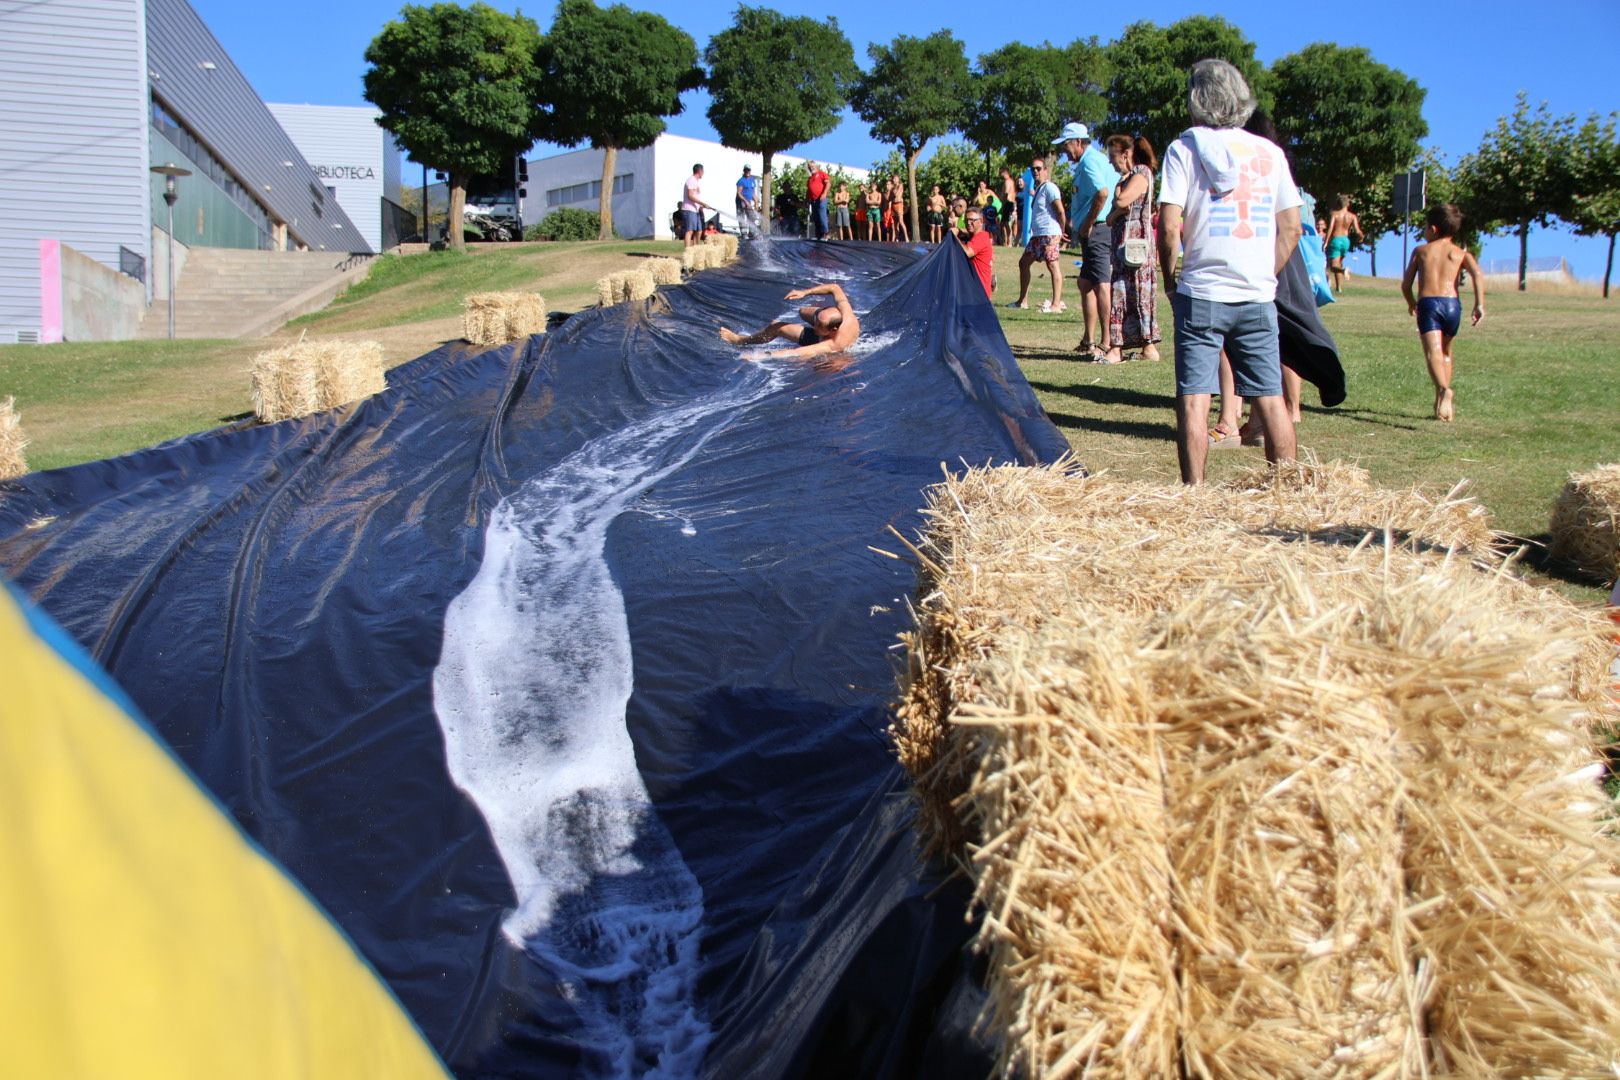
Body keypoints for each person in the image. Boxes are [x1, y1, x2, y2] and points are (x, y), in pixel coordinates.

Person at [1158, 58, 1302, 484]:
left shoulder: (1183, 150)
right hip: (1257, 294)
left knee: (1194, 397)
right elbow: (1291, 226)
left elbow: (1169, 225)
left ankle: (1195, 492)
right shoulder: (1270, 153)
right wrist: (1265, 272)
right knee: (1271, 399)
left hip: (1201, 289)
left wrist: (1171, 281)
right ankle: (1287, 493)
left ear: (1196, 100)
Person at [1401, 203, 1484, 422]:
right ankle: (1442, 407)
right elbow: (1476, 273)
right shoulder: (1459, 253)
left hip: (1429, 304)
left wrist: (1412, 302)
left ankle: (1443, 390)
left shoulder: (1421, 251)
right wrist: (1479, 304)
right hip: (1452, 305)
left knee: (1433, 352)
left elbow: (1406, 284)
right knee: (1446, 352)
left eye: (1426, 227)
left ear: (1434, 229)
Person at [1055, 122, 1116, 358]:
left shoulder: (1090, 161)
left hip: (1098, 231)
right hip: (1092, 232)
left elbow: (1102, 192)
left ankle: (1107, 342)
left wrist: (1088, 223)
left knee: (1101, 283)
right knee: (1085, 283)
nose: (1064, 151)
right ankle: (1089, 339)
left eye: (1066, 145)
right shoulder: (1089, 161)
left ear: (1079, 142)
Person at [1101, 134, 1161, 363]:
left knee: (1137, 294)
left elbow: (1122, 202)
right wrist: (1118, 202)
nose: (1110, 162)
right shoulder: (1127, 179)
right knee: (1123, 292)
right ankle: (1136, 347)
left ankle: (1125, 348)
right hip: (1122, 247)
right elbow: (1109, 218)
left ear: (1125, 154)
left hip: (1137, 246)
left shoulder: (1141, 174)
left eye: (1112, 156)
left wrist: (1118, 196)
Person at [718, 283, 861, 360]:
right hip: (829, 327)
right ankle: (817, 317)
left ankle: (739, 340)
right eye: (816, 321)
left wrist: (760, 356)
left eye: (819, 325)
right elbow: (834, 288)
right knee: (803, 311)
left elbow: (795, 353)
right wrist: (805, 292)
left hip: (823, 341)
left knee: (778, 328)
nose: (815, 325)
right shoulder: (846, 313)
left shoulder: (831, 345)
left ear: (832, 331)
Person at [1010, 156, 1068, 312]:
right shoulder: (1038, 190)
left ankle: (1056, 305)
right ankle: (1022, 301)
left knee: (1052, 265)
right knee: (1024, 263)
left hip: (1049, 233)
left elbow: (1060, 210)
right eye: (1033, 169)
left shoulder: (1050, 187)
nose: (1035, 171)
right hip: (1037, 235)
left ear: (1045, 171)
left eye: (1038, 168)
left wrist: (1061, 231)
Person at [1324, 194, 1362, 293]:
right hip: (1346, 241)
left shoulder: (1334, 214)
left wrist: (1326, 242)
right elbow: (1358, 231)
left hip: (1336, 239)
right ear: (1347, 204)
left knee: (1333, 267)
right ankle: (1338, 288)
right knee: (1338, 263)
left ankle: (1342, 271)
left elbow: (1331, 228)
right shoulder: (1352, 216)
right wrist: (1361, 237)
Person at [957, 207, 994, 299]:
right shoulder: (977, 237)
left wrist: (954, 237)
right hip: (975, 291)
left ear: (981, 221)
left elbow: (967, 252)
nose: (968, 223)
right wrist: (959, 230)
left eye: (972, 220)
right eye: (966, 220)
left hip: (979, 294)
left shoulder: (980, 237)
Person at [682, 164, 713, 248]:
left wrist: (701, 206)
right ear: (699, 171)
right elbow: (690, 196)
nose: (703, 173)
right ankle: (688, 252)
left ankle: (695, 250)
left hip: (696, 210)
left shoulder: (695, 181)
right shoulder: (691, 180)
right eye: (703, 171)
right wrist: (703, 203)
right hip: (689, 209)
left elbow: (695, 196)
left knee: (699, 231)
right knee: (690, 231)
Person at [735, 165, 761, 240]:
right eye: (746, 170)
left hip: (748, 201)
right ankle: (744, 234)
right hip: (741, 201)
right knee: (742, 217)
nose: (747, 172)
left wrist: (756, 200)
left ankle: (752, 232)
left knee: (752, 216)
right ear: (744, 171)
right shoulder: (741, 181)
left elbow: (752, 192)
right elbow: (739, 193)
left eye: (748, 170)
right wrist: (746, 202)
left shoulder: (752, 180)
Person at [806, 161, 830, 241]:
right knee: (816, 217)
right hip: (813, 200)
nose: (811, 168)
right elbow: (808, 190)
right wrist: (807, 200)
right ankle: (819, 235)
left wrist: (824, 193)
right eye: (809, 167)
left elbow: (828, 184)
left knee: (822, 215)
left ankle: (826, 233)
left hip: (821, 198)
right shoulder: (809, 179)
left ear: (816, 166)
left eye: (812, 166)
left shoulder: (822, 174)